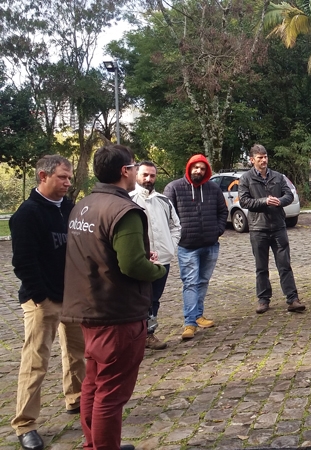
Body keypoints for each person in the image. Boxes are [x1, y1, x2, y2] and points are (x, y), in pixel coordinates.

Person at [62, 144, 166, 450]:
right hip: (116, 313)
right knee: (111, 393)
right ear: (125, 171)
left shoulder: (84, 204)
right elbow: (132, 264)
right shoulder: (124, 210)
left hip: (88, 307)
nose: (136, 172)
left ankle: (94, 443)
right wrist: (157, 269)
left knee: (93, 384)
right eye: (134, 167)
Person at [10, 155, 85, 450]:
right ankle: (25, 424)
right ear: (43, 176)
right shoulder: (27, 214)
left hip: (73, 298)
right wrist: (40, 296)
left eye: (69, 178)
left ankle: (77, 400)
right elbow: (23, 263)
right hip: (42, 301)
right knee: (35, 363)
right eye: (62, 178)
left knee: (78, 354)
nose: (68, 183)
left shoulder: (69, 208)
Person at [164, 154, 228, 340]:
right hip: (188, 246)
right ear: (189, 167)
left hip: (210, 244)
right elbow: (167, 215)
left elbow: (222, 211)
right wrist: (178, 236)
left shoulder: (213, 188)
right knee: (190, 283)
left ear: (206, 170)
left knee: (202, 281)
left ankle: (198, 315)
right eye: (195, 167)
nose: (198, 171)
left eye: (202, 168)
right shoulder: (174, 188)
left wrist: (218, 230)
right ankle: (190, 322)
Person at [238, 144, 306, 314]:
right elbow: (244, 202)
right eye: (260, 158)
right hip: (258, 228)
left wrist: (280, 201)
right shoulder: (246, 179)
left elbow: (289, 195)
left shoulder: (277, 176)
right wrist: (264, 201)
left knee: (284, 265)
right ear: (252, 160)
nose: (264, 160)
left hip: (278, 227)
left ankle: (292, 299)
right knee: (261, 267)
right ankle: (263, 299)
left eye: (265, 156)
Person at [130, 161, 182, 350]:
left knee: (154, 299)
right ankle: (135, 337)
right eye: (144, 175)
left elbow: (175, 226)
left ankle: (149, 334)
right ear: (136, 175)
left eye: (152, 175)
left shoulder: (163, 200)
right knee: (137, 299)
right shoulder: (129, 199)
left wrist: (170, 247)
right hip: (138, 261)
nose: (148, 179)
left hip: (162, 260)